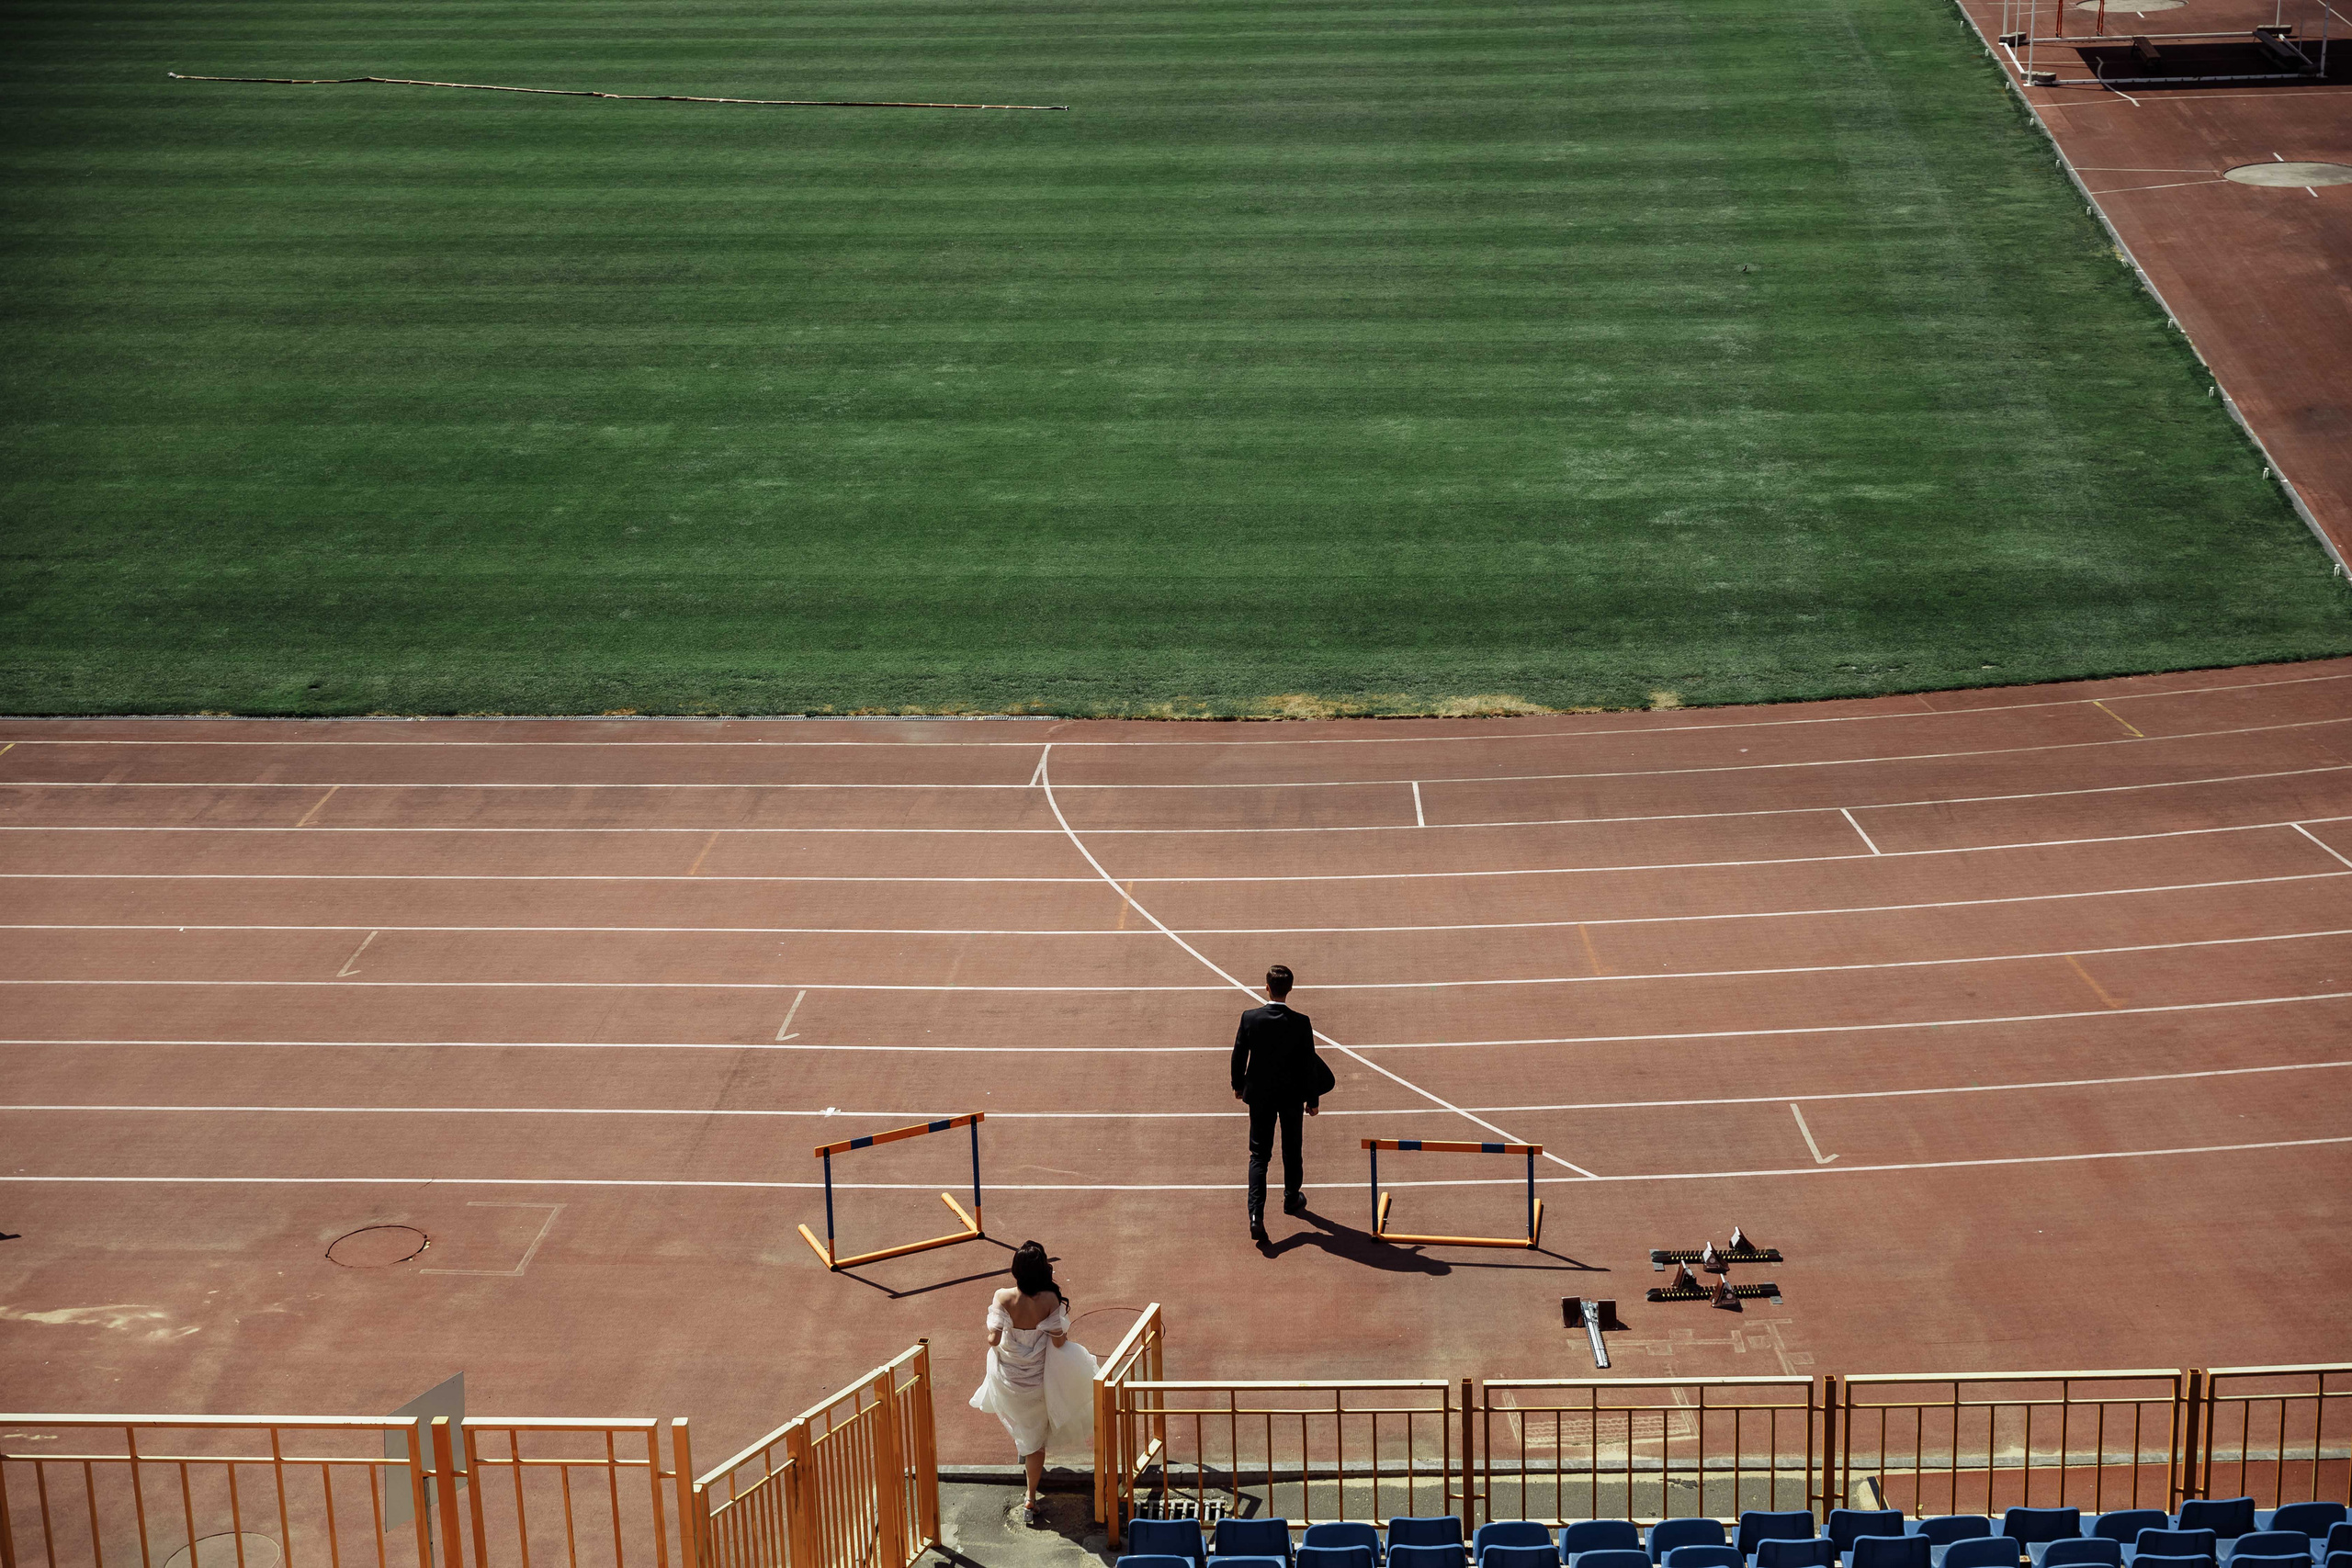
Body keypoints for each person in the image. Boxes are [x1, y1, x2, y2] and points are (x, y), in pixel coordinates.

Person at [968, 1241, 1096, 1526]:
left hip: (1010, 1380)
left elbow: (994, 1339)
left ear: (1016, 1270)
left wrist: (1000, 1330)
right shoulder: (1049, 1299)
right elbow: (1059, 1342)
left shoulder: (1002, 1296)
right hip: (1038, 1381)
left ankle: (1023, 1453)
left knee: (1025, 1427)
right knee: (1036, 1442)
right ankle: (1030, 1497)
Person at [1231, 964, 1329, 1243]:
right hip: (1291, 1097)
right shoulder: (1301, 1022)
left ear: (1267, 988)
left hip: (1260, 1096)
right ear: (1290, 989)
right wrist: (1313, 1100)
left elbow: (1238, 1055)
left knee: (1259, 1156)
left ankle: (1255, 1215)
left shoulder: (1250, 1018)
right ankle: (1291, 1197)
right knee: (1292, 1149)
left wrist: (1238, 1085)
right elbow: (1309, 1065)